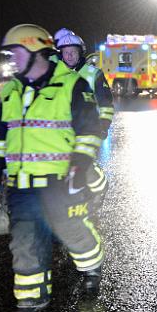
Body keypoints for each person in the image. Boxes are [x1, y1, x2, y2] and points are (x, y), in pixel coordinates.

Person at [0, 24, 104, 312]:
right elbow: (4, 134)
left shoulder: (72, 85)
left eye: (16, 51)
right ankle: (32, 300)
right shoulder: (11, 89)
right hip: (22, 184)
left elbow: (90, 130)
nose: (12, 57)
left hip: (61, 180)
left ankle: (91, 268)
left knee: (70, 230)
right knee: (24, 242)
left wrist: (80, 162)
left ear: (36, 50)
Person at [54, 28, 113, 200]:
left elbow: (106, 104)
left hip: (88, 128)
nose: (70, 56)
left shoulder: (93, 74)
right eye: (66, 52)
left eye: (73, 52)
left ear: (80, 53)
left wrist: (103, 125)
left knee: (84, 165)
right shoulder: (56, 74)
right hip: (63, 131)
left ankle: (99, 190)